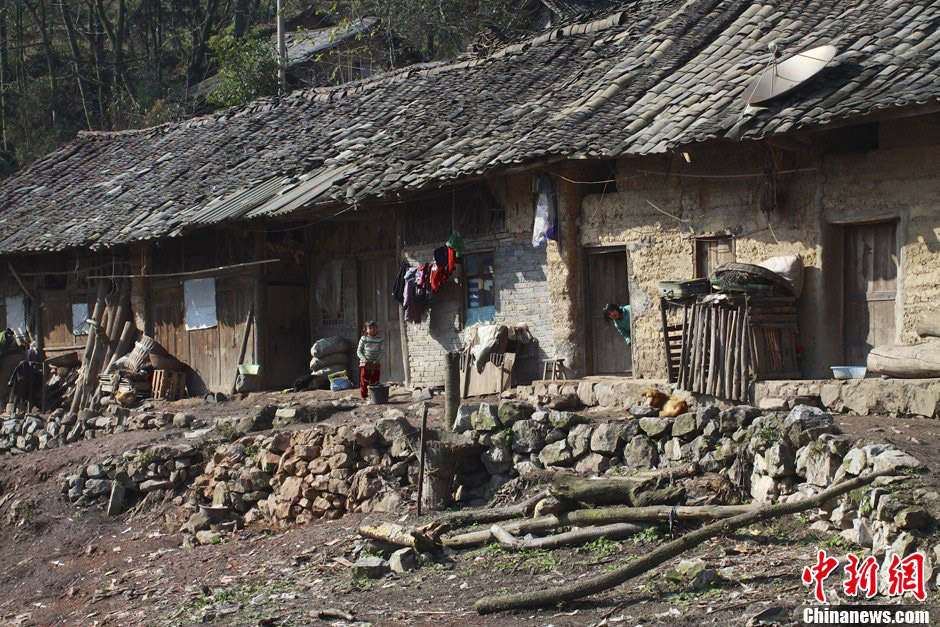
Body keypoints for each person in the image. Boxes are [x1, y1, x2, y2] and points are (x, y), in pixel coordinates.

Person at [357, 320, 384, 400]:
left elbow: (382, 351)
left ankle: (373, 396)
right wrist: (364, 359)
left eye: (375, 328)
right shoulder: (364, 338)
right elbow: (359, 351)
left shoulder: (380, 339)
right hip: (365, 363)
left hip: (375, 362)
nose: (373, 329)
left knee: (375, 379)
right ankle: (364, 396)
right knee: (364, 379)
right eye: (370, 328)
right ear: (366, 330)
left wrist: (377, 360)